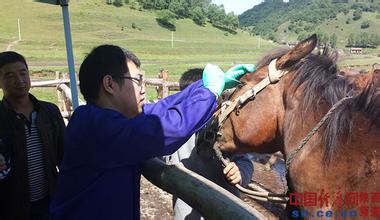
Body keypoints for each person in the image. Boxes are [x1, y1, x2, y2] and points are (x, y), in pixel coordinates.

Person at [50, 44, 255, 220]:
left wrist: (202, 87)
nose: (142, 89)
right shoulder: (99, 127)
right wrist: (209, 93)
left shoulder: (105, 119)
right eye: (137, 81)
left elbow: (160, 108)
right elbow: (164, 129)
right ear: (110, 84)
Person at [166, 68, 254, 220]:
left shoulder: (224, 130)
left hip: (225, 212)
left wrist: (239, 173)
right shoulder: (174, 131)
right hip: (186, 212)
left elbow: (245, 162)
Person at [0, 51, 65, 220]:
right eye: (10, 75)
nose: (19, 80)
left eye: (23, 73)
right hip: (10, 208)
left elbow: (64, 156)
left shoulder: (50, 112)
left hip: (50, 202)